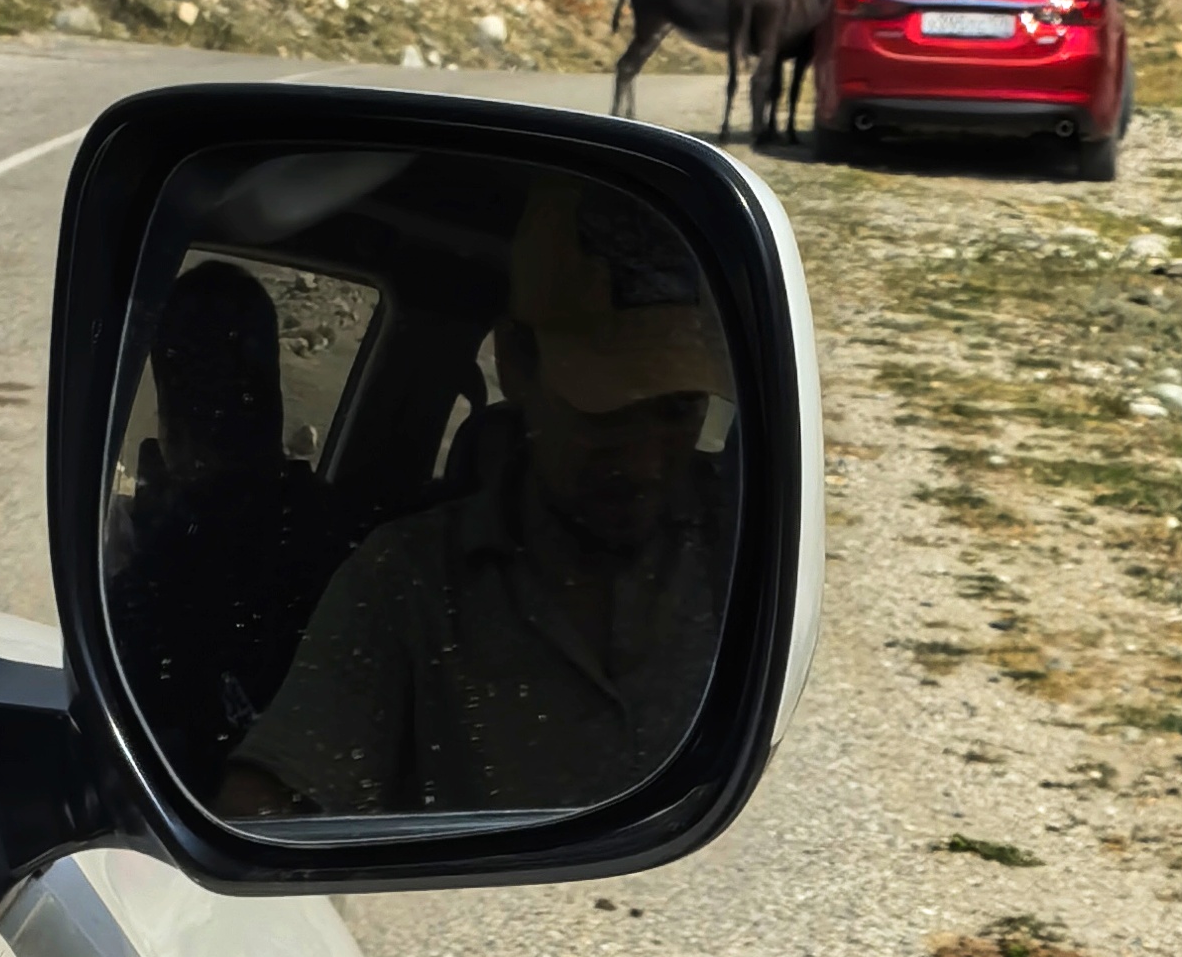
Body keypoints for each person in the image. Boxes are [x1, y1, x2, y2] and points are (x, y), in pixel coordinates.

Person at [218, 178, 730, 823]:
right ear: (515, 361)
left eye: (679, 411)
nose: (648, 463)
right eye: (607, 413)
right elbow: (270, 808)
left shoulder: (747, 533)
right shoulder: (408, 581)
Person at [102, 255, 334, 790]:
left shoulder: (168, 572)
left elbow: (136, 698)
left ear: (174, 420)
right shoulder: (338, 531)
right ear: (272, 395)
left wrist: (120, 574)